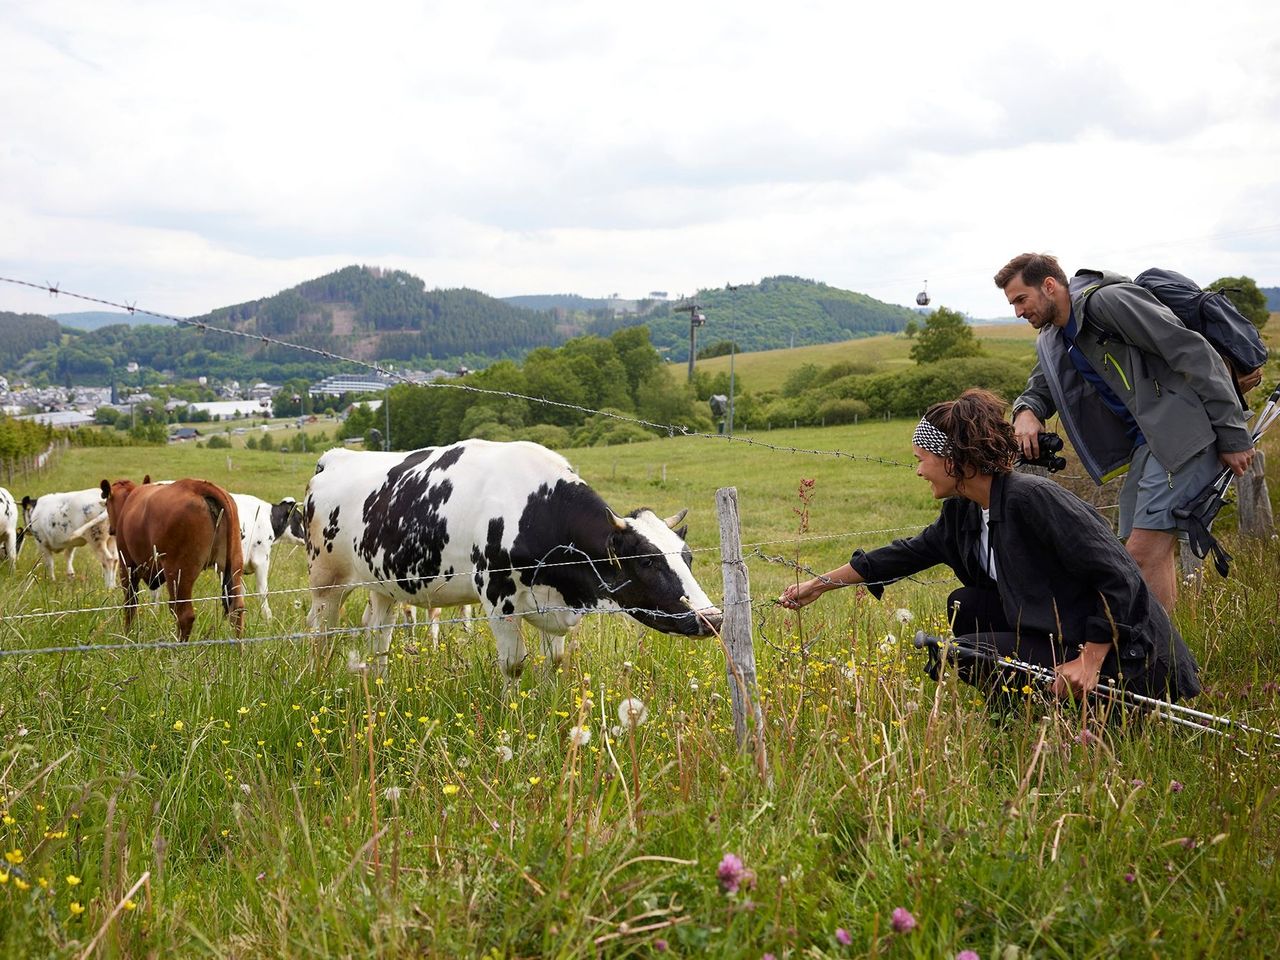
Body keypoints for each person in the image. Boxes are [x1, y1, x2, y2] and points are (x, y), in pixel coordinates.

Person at [778, 389, 1200, 704]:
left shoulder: (1032, 499)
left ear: (954, 459)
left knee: (965, 654)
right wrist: (819, 584)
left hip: (1131, 659)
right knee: (966, 603)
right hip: (1060, 628)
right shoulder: (966, 510)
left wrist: (1090, 659)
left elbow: (1120, 575)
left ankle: (1077, 703)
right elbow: (905, 553)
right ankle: (1034, 711)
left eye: (922, 458)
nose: (919, 471)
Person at [993, 253, 1254, 610]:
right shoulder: (1056, 338)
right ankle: (1172, 649)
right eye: (1012, 304)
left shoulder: (1108, 302)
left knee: (1141, 554)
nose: (1018, 312)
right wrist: (1025, 411)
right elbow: (1041, 386)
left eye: (1021, 299)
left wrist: (1233, 434)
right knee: (1136, 550)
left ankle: (1157, 657)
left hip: (1181, 433)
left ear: (1049, 286)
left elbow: (1193, 352)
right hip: (1148, 445)